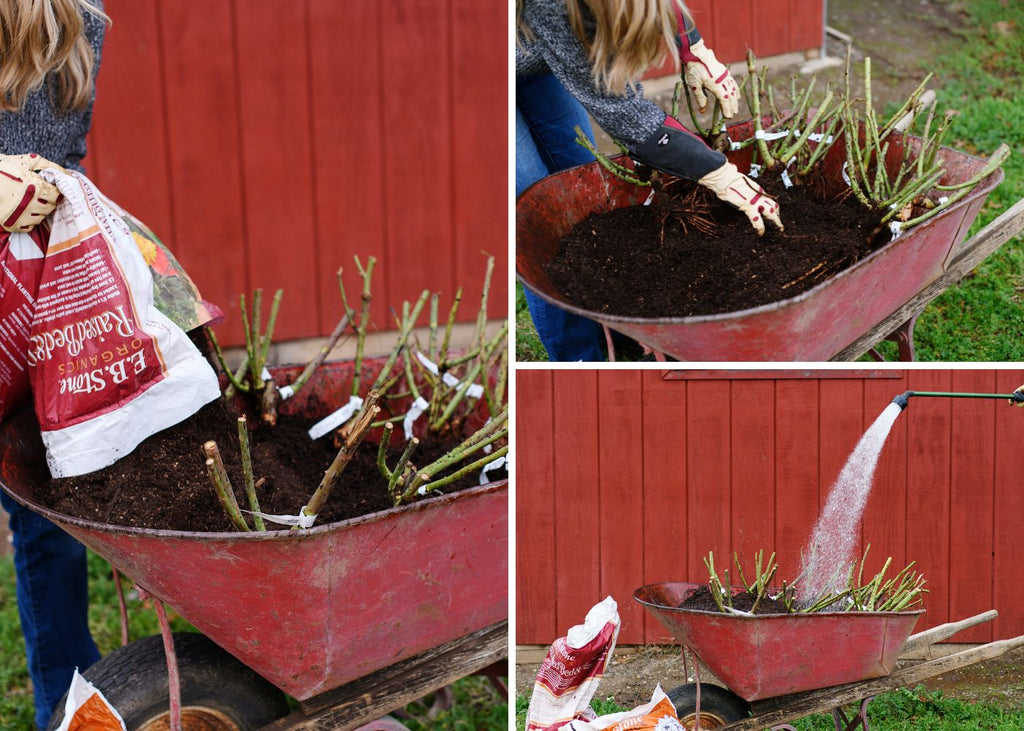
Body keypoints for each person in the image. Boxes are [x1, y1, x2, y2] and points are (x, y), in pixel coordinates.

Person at [517, 0, 783, 361]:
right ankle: (579, 359)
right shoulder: (552, 7)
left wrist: (695, 49)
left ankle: (611, 327)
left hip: (533, 47)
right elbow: (627, 115)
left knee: (578, 172)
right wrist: (717, 172)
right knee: (536, 222)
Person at [0, 1, 109, 727]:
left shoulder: (82, 24)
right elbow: (60, 168)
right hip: (40, 293)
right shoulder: (86, 24)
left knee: (42, 507)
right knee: (47, 509)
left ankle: (67, 702)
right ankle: (70, 702)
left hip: (25, 292)